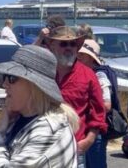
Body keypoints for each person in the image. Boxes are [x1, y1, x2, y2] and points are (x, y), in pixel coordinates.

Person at [0, 45, 79, 167]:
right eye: (5, 77)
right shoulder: (19, 119)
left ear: (34, 86)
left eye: (12, 78)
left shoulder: (49, 130)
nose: (5, 84)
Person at [46, 26, 107, 168]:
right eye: (63, 44)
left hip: (74, 148)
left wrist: (89, 140)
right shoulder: (43, 72)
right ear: (52, 46)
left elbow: (98, 113)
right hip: (46, 148)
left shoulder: (88, 75)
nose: (69, 48)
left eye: (72, 44)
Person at [77, 38, 115, 168]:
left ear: (91, 58)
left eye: (82, 54)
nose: (79, 56)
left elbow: (107, 105)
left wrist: (85, 105)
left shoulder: (99, 75)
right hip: (84, 129)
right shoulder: (80, 73)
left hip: (96, 131)